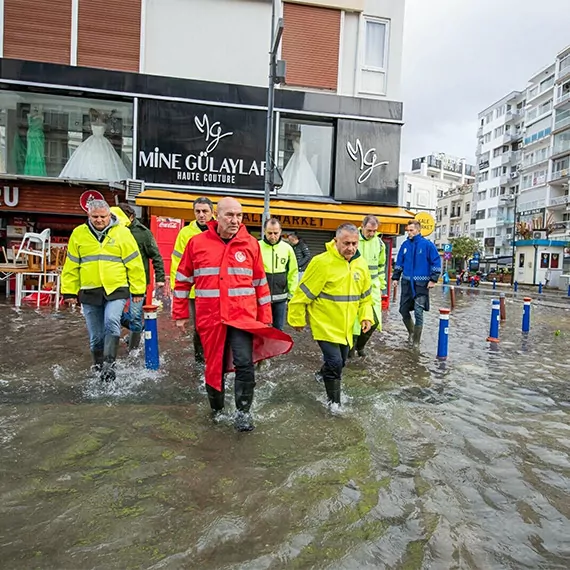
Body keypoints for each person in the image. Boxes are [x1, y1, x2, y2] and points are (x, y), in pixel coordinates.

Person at [172, 197, 293, 432]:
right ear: (217, 216)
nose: (235, 220)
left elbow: (260, 283)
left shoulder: (250, 244)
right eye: (230, 215)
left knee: (244, 363)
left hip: (242, 316)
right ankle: (216, 412)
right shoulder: (197, 243)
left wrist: (265, 317)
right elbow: (183, 278)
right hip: (210, 317)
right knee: (213, 366)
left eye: (239, 215)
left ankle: (243, 413)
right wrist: (180, 313)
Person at [288, 223, 373, 406]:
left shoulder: (361, 265)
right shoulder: (321, 263)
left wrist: (366, 317)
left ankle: (321, 375)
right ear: (336, 241)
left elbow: (366, 297)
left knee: (341, 362)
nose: (351, 248)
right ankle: (334, 405)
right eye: (346, 243)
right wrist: (297, 318)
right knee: (335, 363)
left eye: (354, 243)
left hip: (346, 326)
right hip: (324, 325)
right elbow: (301, 294)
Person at [61, 200, 146, 381]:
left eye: (103, 216)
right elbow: (71, 265)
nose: (99, 220)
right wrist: (69, 292)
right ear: (88, 216)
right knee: (96, 336)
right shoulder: (79, 234)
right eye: (95, 216)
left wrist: (138, 290)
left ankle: (109, 365)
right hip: (90, 290)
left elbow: (135, 263)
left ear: (110, 215)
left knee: (112, 321)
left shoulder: (122, 233)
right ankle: (98, 369)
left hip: (116, 288)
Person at [112, 203, 166, 351]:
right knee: (114, 315)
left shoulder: (143, 233)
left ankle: (133, 349)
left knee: (135, 315)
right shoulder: (112, 231)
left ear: (131, 217)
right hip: (117, 280)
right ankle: (139, 330)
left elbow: (156, 256)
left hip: (138, 281)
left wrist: (160, 278)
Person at [170, 197, 214, 364]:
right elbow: (178, 262)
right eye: (198, 211)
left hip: (217, 289)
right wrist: (177, 288)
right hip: (195, 291)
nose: (201, 215)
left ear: (212, 212)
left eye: (205, 211)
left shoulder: (220, 229)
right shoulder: (185, 233)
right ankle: (200, 360)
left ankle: (219, 359)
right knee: (199, 327)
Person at [392, 220, 441, 348]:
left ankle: (416, 342)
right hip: (407, 283)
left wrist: (433, 279)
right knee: (403, 310)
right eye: (408, 230)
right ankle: (412, 332)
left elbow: (436, 262)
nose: (409, 233)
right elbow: (399, 262)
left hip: (422, 284)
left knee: (419, 312)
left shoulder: (427, 245)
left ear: (418, 230)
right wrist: (396, 278)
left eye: (411, 230)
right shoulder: (405, 245)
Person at [349, 215, 387, 358]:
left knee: (374, 321)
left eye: (374, 231)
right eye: (369, 230)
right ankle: (351, 350)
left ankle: (360, 346)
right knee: (353, 321)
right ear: (362, 226)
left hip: (372, 288)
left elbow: (381, 266)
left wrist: (382, 285)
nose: (371, 234)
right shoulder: (352, 239)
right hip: (353, 286)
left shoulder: (380, 243)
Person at [259, 218, 298, 330]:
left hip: (280, 298)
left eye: (275, 233)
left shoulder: (287, 249)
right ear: (264, 231)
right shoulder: (256, 246)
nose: (273, 236)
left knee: (278, 329)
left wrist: (292, 295)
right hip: (261, 297)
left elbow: (293, 272)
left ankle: (276, 348)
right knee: (261, 327)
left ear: (280, 231)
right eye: (269, 233)